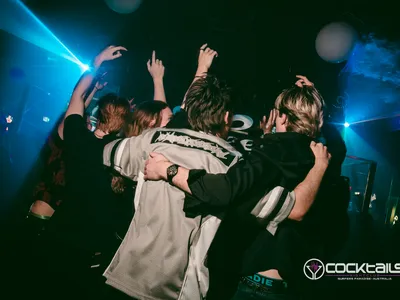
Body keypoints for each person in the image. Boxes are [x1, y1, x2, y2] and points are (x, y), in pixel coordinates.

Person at [102, 41, 328, 299]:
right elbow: (292, 207)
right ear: (226, 118)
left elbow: (107, 152)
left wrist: (167, 168)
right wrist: (318, 158)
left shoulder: (155, 140)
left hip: (127, 276)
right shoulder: (237, 161)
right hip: (179, 290)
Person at [143, 76, 337, 299]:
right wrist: (314, 99)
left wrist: (168, 170)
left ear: (282, 116)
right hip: (300, 277)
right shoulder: (323, 156)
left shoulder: (274, 150)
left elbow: (227, 189)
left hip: (260, 278)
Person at [43, 45, 131, 299]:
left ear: (98, 115)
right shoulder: (123, 151)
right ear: (124, 121)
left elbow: (77, 95)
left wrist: (98, 60)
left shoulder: (76, 136)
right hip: (94, 243)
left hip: (62, 230)